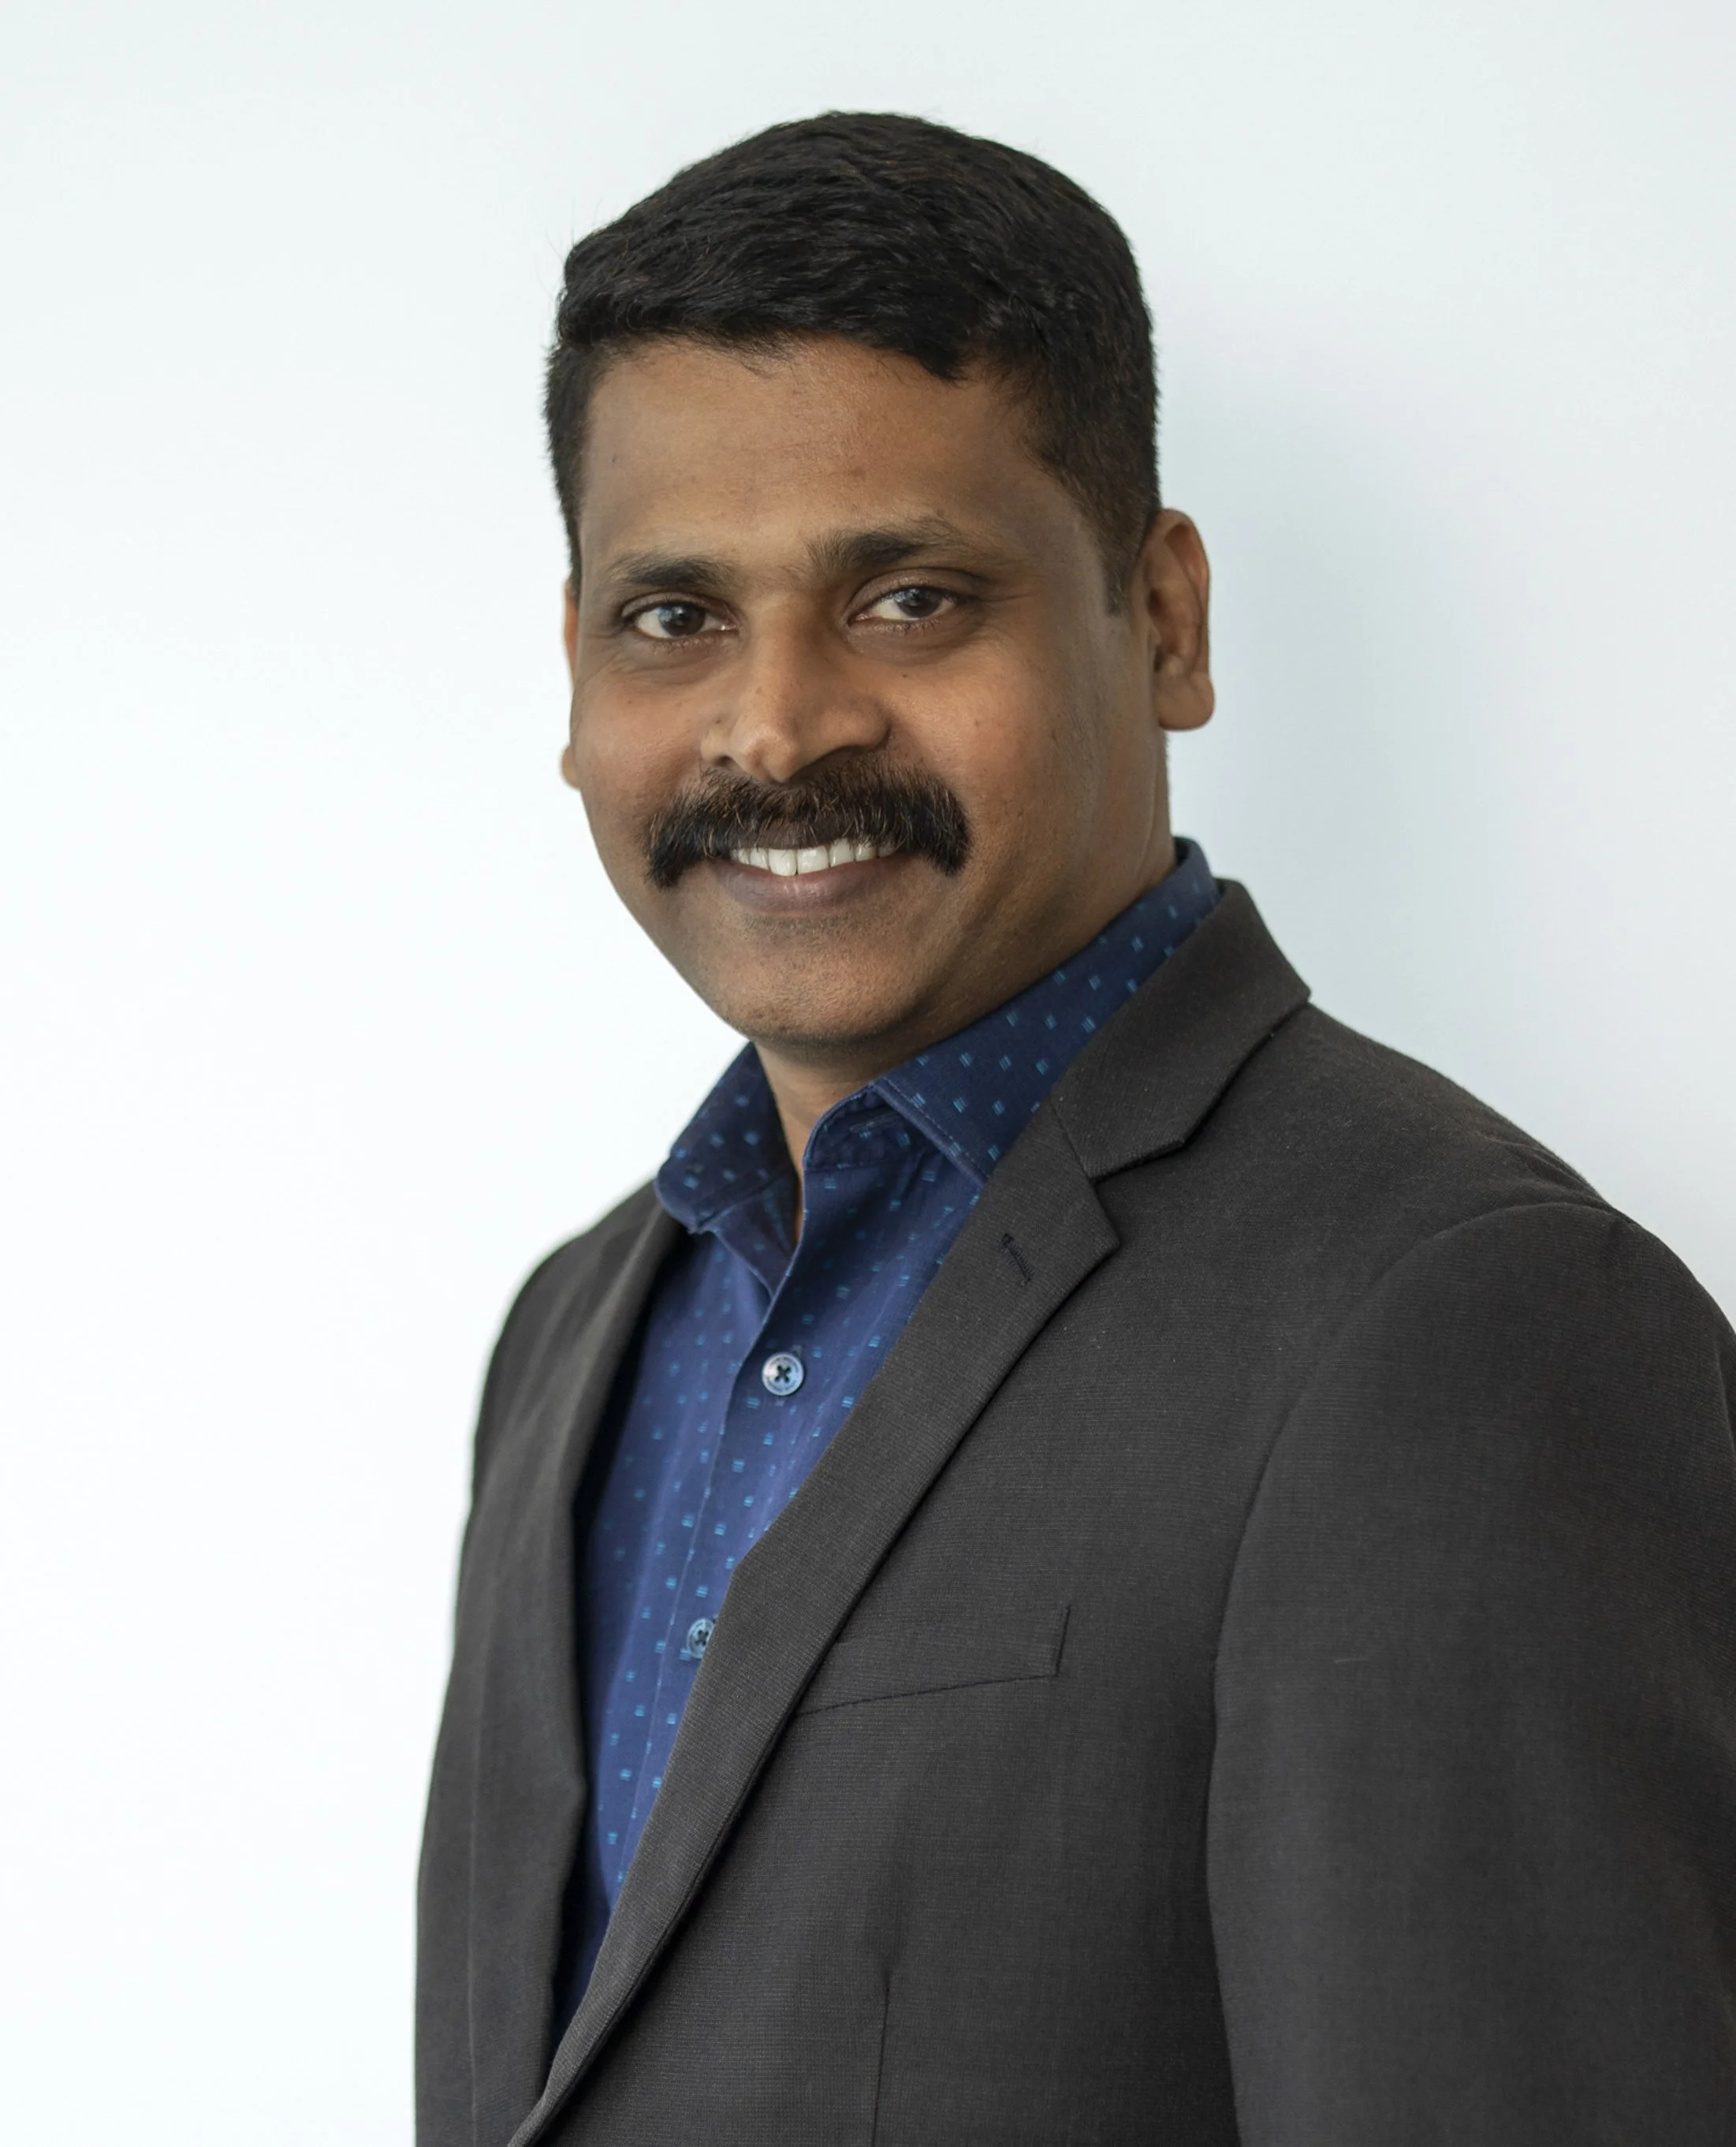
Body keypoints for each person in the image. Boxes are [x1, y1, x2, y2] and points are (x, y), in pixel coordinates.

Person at [416, 113, 1736, 2147]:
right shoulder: (570, 1336)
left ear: (1165, 620)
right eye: (674, 616)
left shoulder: (1463, 1327)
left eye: (910, 598)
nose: (775, 727)